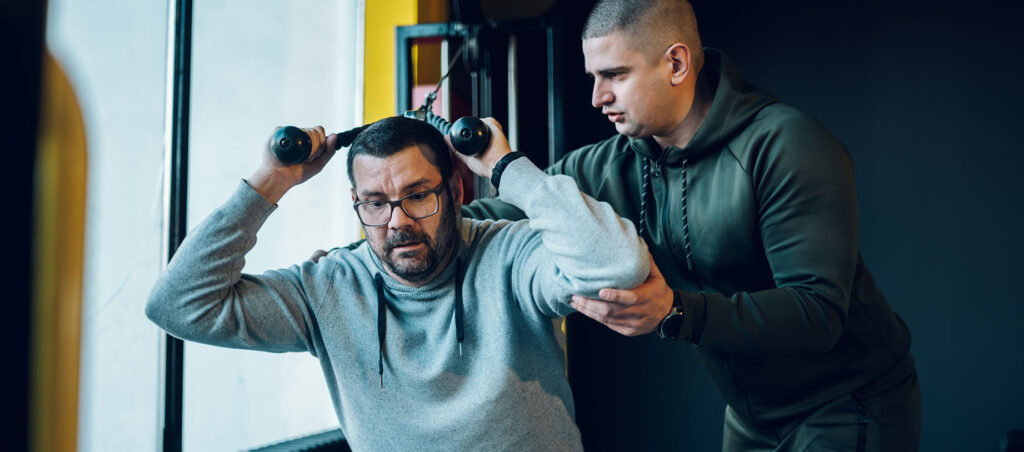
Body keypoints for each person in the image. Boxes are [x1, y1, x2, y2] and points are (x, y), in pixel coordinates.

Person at [461, 0, 922, 450]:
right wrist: (412, 206)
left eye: (615, 75)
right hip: (751, 415)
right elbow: (500, 219)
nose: (597, 97)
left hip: (848, 403)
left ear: (676, 64)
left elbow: (817, 314)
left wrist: (674, 311)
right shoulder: (608, 165)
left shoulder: (785, 145)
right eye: (594, 78)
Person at [145, 116, 651, 451]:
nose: (397, 222)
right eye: (375, 203)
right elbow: (177, 304)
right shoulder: (328, 290)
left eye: (417, 195)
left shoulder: (510, 255)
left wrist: (505, 167)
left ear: (455, 189)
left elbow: (618, 265)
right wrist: (271, 181)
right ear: (357, 205)